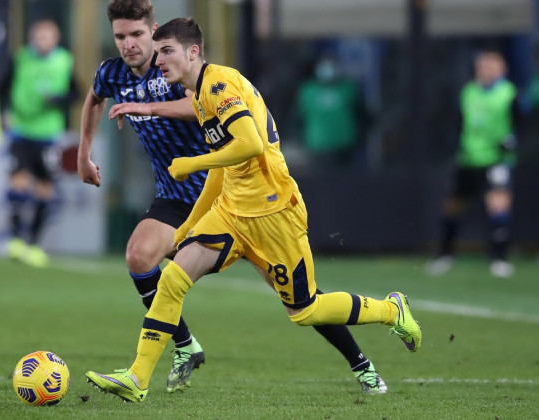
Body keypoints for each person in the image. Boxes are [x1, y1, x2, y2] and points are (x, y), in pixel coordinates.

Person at [84, 17, 422, 403]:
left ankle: (391, 311)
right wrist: (191, 224)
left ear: (193, 52)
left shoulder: (218, 85)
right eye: (157, 52)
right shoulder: (198, 93)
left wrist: (189, 165)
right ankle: (137, 378)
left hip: (273, 211)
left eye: (167, 51)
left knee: (306, 310)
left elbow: (251, 144)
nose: (158, 60)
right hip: (232, 209)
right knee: (173, 279)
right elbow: (223, 163)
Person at [426, 49, 517, 278]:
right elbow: (457, 121)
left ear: (501, 70)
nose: (486, 71)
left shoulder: (509, 93)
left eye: (491, 66)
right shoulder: (468, 92)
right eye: (482, 66)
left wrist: (512, 141)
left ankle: (499, 258)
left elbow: (521, 123)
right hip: (468, 158)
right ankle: (444, 254)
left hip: (496, 159)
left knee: (498, 204)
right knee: (453, 206)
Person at [2, 19, 74, 267]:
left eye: (48, 37)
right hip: (21, 131)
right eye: (39, 36)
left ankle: (33, 245)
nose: (43, 41)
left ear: (56, 39)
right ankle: (15, 241)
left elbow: (76, 93)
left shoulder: (65, 61)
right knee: (18, 183)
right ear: (33, 37)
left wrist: (58, 99)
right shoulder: (21, 57)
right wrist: (5, 111)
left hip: (48, 135)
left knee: (45, 190)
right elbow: (3, 86)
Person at [294, 55, 365, 166]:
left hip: (344, 145)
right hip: (317, 146)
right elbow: (297, 118)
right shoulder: (308, 90)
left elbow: (362, 114)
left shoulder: (348, 88)